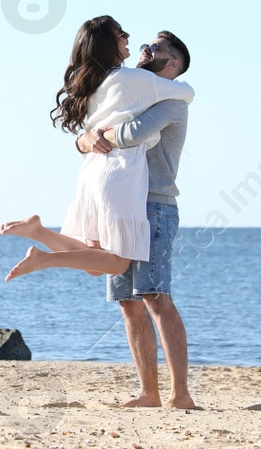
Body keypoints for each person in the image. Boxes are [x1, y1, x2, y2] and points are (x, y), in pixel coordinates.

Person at [0, 15, 193, 282]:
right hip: (120, 172)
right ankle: (44, 258)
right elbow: (186, 92)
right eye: (122, 34)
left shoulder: (96, 82)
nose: (130, 40)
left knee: (94, 263)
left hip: (92, 170)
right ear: (107, 43)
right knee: (118, 262)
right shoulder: (133, 78)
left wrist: (87, 138)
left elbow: (88, 135)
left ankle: (39, 232)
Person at [78, 32, 194, 408]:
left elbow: (134, 134)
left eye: (158, 48)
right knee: (127, 302)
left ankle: (181, 395)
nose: (147, 49)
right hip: (119, 205)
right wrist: (84, 138)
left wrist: (95, 136)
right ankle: (148, 393)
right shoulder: (134, 94)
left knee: (155, 295)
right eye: (147, 45)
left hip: (153, 206)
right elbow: (90, 130)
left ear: (173, 64)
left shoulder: (174, 100)